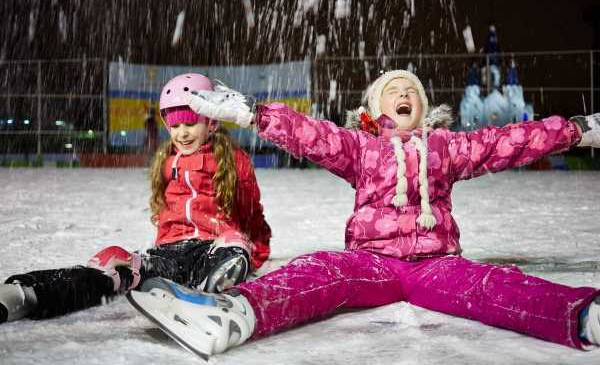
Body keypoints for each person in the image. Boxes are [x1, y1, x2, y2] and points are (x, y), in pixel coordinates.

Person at [127, 70, 600, 358]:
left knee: (493, 286)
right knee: (317, 271)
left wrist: (575, 130)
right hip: (370, 262)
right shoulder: (360, 148)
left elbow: (509, 142)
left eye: (409, 90)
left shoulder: (446, 147)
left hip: (437, 264)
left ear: (421, 104)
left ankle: (584, 314)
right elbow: (310, 134)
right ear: (376, 108)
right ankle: (232, 315)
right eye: (392, 90)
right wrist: (255, 114)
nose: (403, 94)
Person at [0, 73, 271, 323]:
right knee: (114, 264)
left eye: (191, 123)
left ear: (211, 122)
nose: (183, 133)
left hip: (214, 247)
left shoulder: (234, 160)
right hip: (170, 253)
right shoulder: (166, 160)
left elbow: (250, 210)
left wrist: (255, 251)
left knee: (235, 244)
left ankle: (214, 290)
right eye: (175, 126)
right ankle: (30, 294)